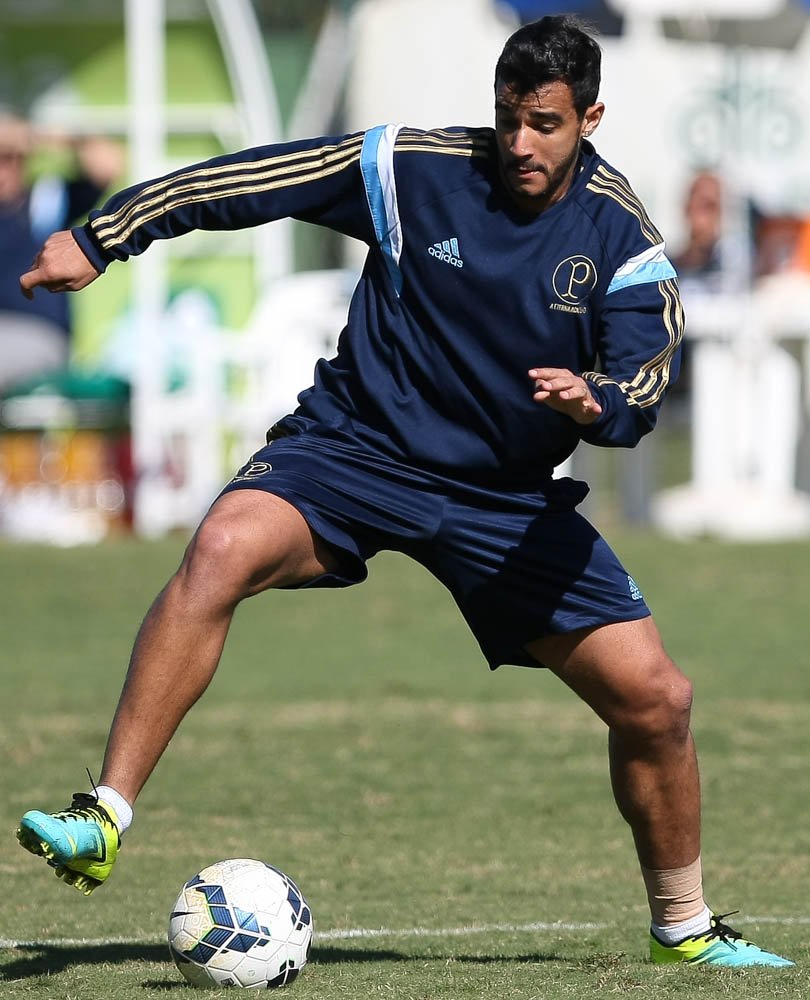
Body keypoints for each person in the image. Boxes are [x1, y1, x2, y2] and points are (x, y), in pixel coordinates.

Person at [15, 15, 791, 969]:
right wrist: (107, 235)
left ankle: (686, 928)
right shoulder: (410, 169)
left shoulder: (621, 239)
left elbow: (647, 376)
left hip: (502, 502)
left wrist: (598, 400)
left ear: (590, 117)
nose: (518, 143)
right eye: (507, 117)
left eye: (544, 123)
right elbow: (250, 180)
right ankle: (104, 816)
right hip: (354, 451)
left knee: (658, 701)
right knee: (220, 547)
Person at [0, 112, 124, 394]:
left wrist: (36, 135)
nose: (2, 169)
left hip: (34, 334)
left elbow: (108, 163)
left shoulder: (46, 201)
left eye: (8, 157)